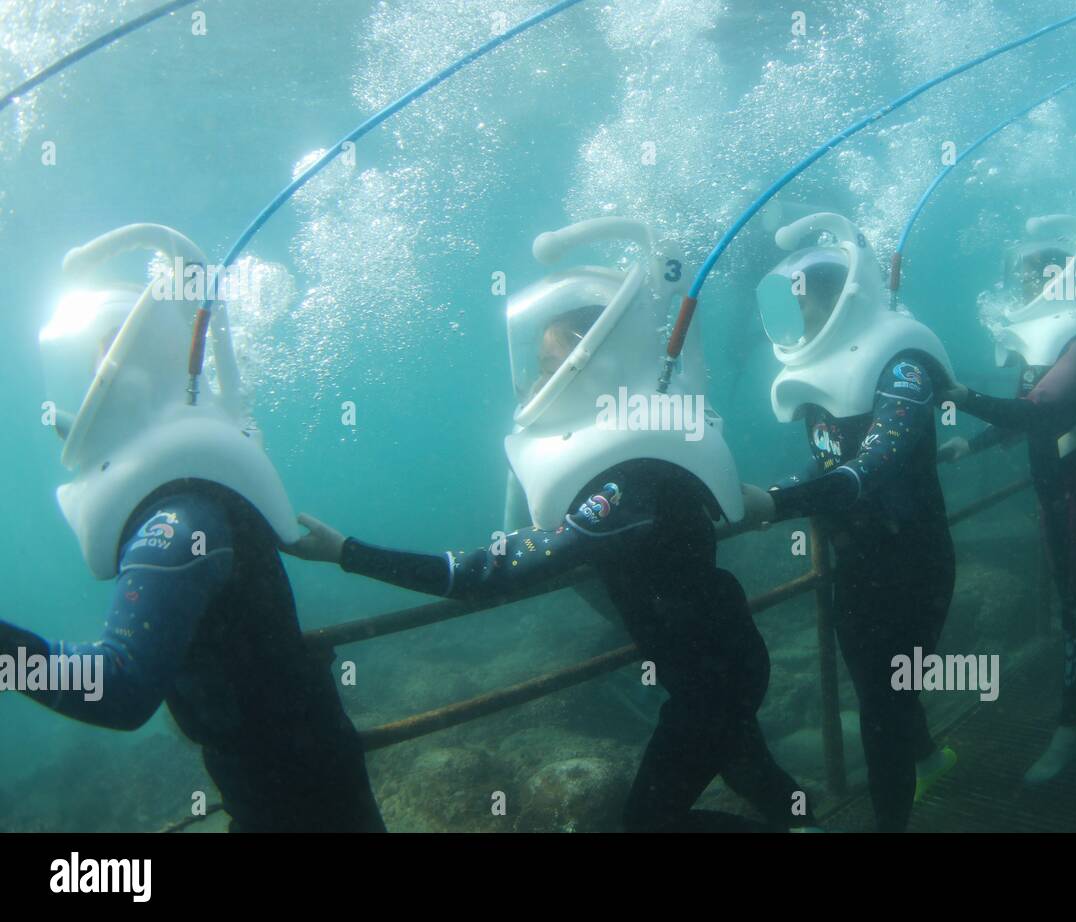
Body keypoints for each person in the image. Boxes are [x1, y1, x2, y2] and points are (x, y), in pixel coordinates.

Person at [290, 217, 816, 833]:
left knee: (648, 824)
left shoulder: (626, 480)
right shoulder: (631, 456)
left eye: (549, 365)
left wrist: (348, 552)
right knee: (758, 779)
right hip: (718, 668)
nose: (535, 384)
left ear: (594, 366)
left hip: (712, 682)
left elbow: (488, 572)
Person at [1, 224, 384, 833]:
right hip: (294, 766)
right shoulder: (191, 493)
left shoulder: (177, 519)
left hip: (287, 789)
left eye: (103, 364)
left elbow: (121, 688)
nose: (89, 390)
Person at [742, 212, 958, 831]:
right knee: (878, 694)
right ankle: (932, 759)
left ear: (839, 301)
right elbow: (830, 457)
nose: (794, 317)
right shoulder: (817, 373)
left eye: (803, 302)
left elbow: (876, 464)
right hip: (856, 564)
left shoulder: (901, 366)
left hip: (915, 564)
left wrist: (779, 501)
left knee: (883, 706)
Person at [940, 214, 1076, 783]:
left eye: (1031, 273)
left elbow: (1035, 410)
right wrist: (971, 445)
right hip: (1058, 493)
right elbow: (1027, 411)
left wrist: (962, 395)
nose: (1022, 285)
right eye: (1020, 273)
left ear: (1061, 274)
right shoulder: (1048, 336)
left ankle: (1068, 730)